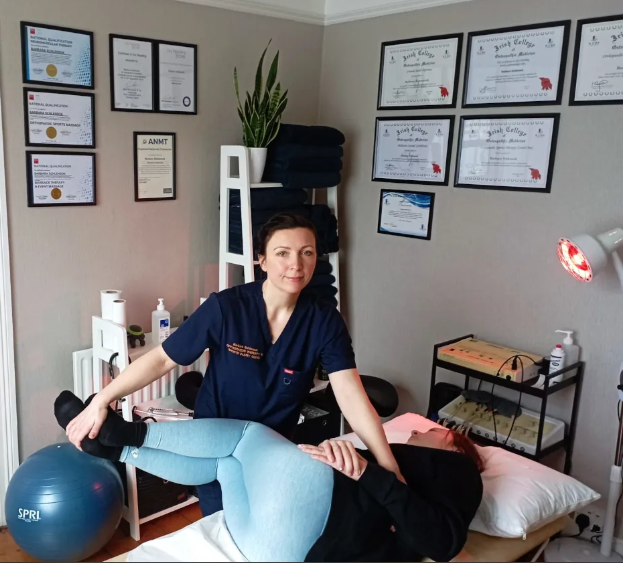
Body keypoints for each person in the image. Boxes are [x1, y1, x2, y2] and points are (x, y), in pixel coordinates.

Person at [65, 213, 404, 516]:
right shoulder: (226, 308)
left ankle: (121, 442)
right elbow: (162, 358)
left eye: (307, 253)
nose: (296, 264)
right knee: (221, 529)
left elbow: (350, 394)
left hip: (269, 450)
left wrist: (389, 468)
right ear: (262, 261)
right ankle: (121, 439)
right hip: (210, 441)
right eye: (282, 253)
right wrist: (102, 399)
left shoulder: (324, 321)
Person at [55, 391, 484, 563]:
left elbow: (443, 544)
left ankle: (126, 436)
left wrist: (367, 471)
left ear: (452, 440)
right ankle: (117, 448)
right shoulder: (421, 466)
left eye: (427, 431)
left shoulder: (459, 468)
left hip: (321, 514)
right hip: (272, 550)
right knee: (224, 463)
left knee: (246, 434)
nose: (416, 432)